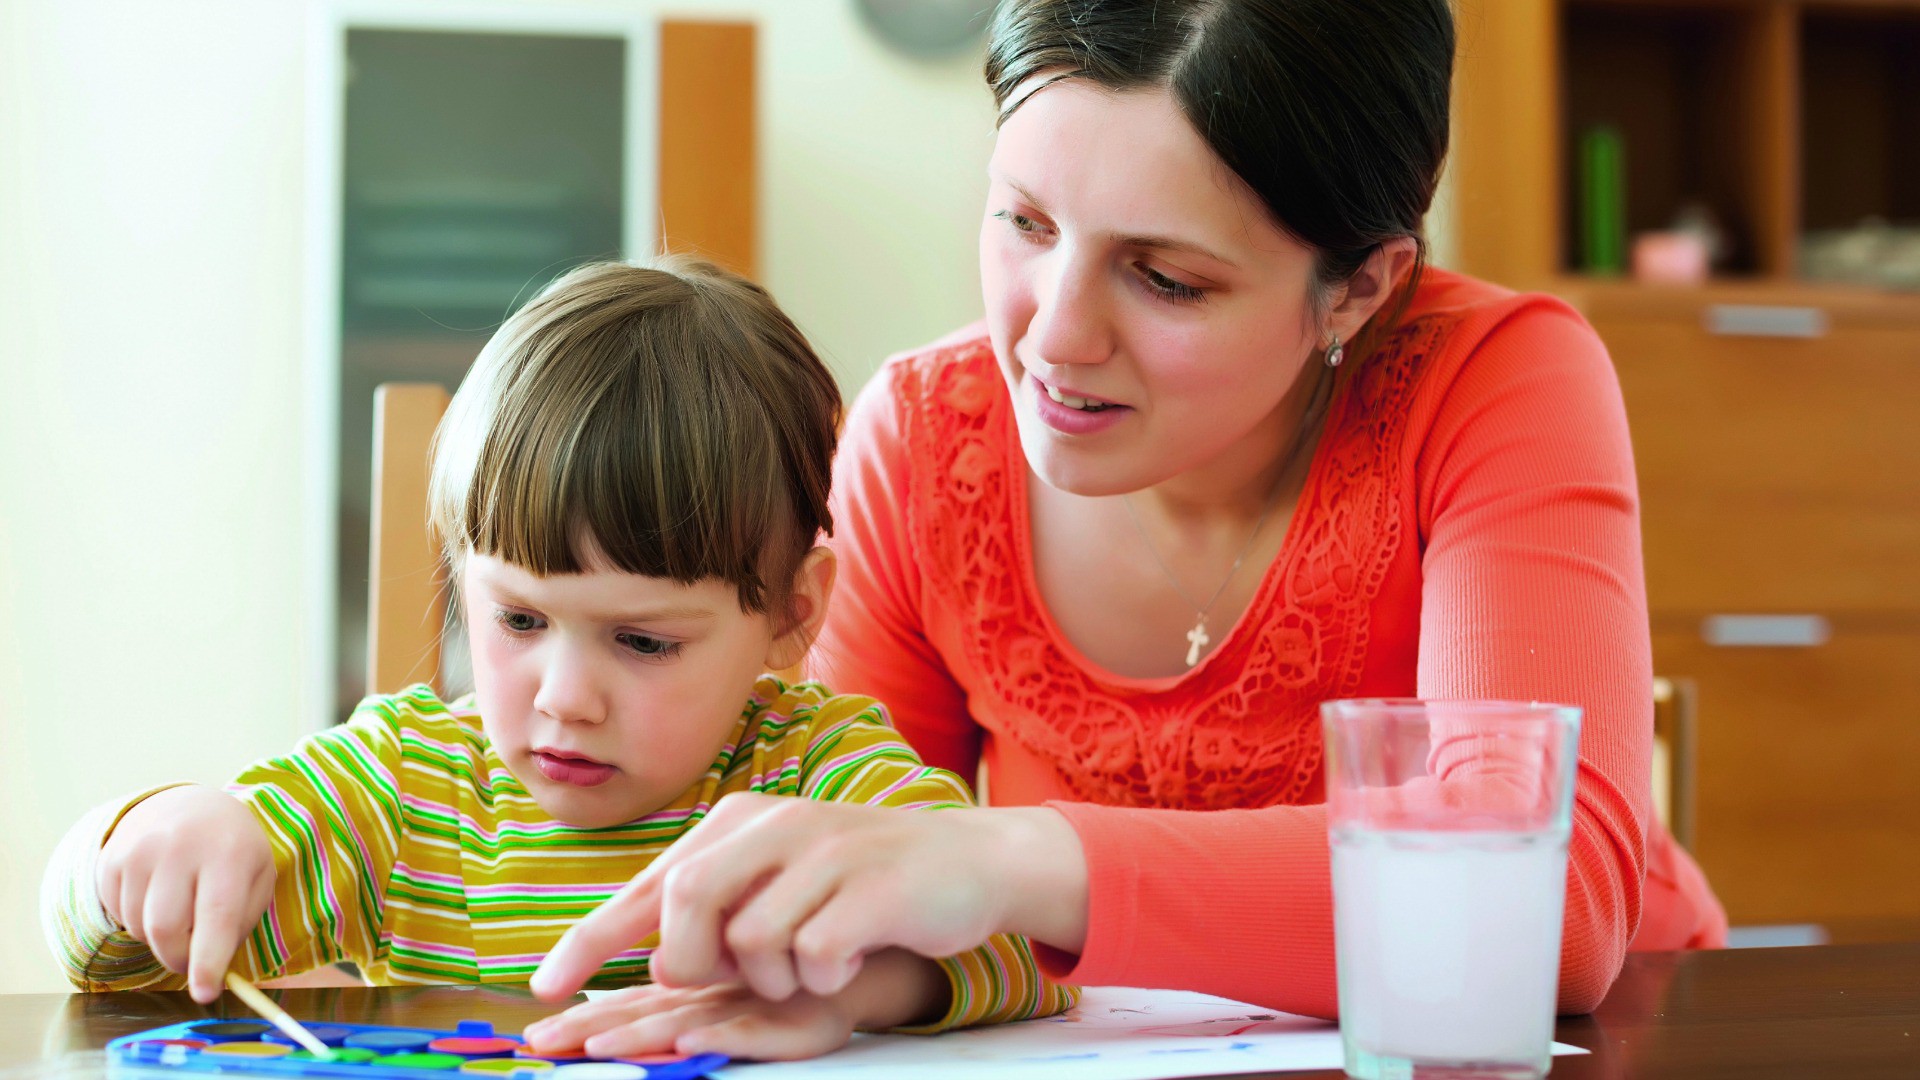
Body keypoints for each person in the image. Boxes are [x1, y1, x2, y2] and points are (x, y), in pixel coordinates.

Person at [527, 0, 1727, 1034]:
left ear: (1360, 287)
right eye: (1026, 224)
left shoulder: (1495, 385)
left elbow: (1538, 905)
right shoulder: (924, 443)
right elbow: (865, 874)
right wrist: (847, 974)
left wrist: (1020, 856)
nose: (1051, 336)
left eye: (1166, 279)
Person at [40, 257, 1073, 1060]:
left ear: (794, 614)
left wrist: (846, 985)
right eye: (521, 621)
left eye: (642, 640)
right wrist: (138, 841)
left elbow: (1012, 946)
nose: (565, 699)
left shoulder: (816, 774)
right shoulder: (402, 789)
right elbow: (109, 962)